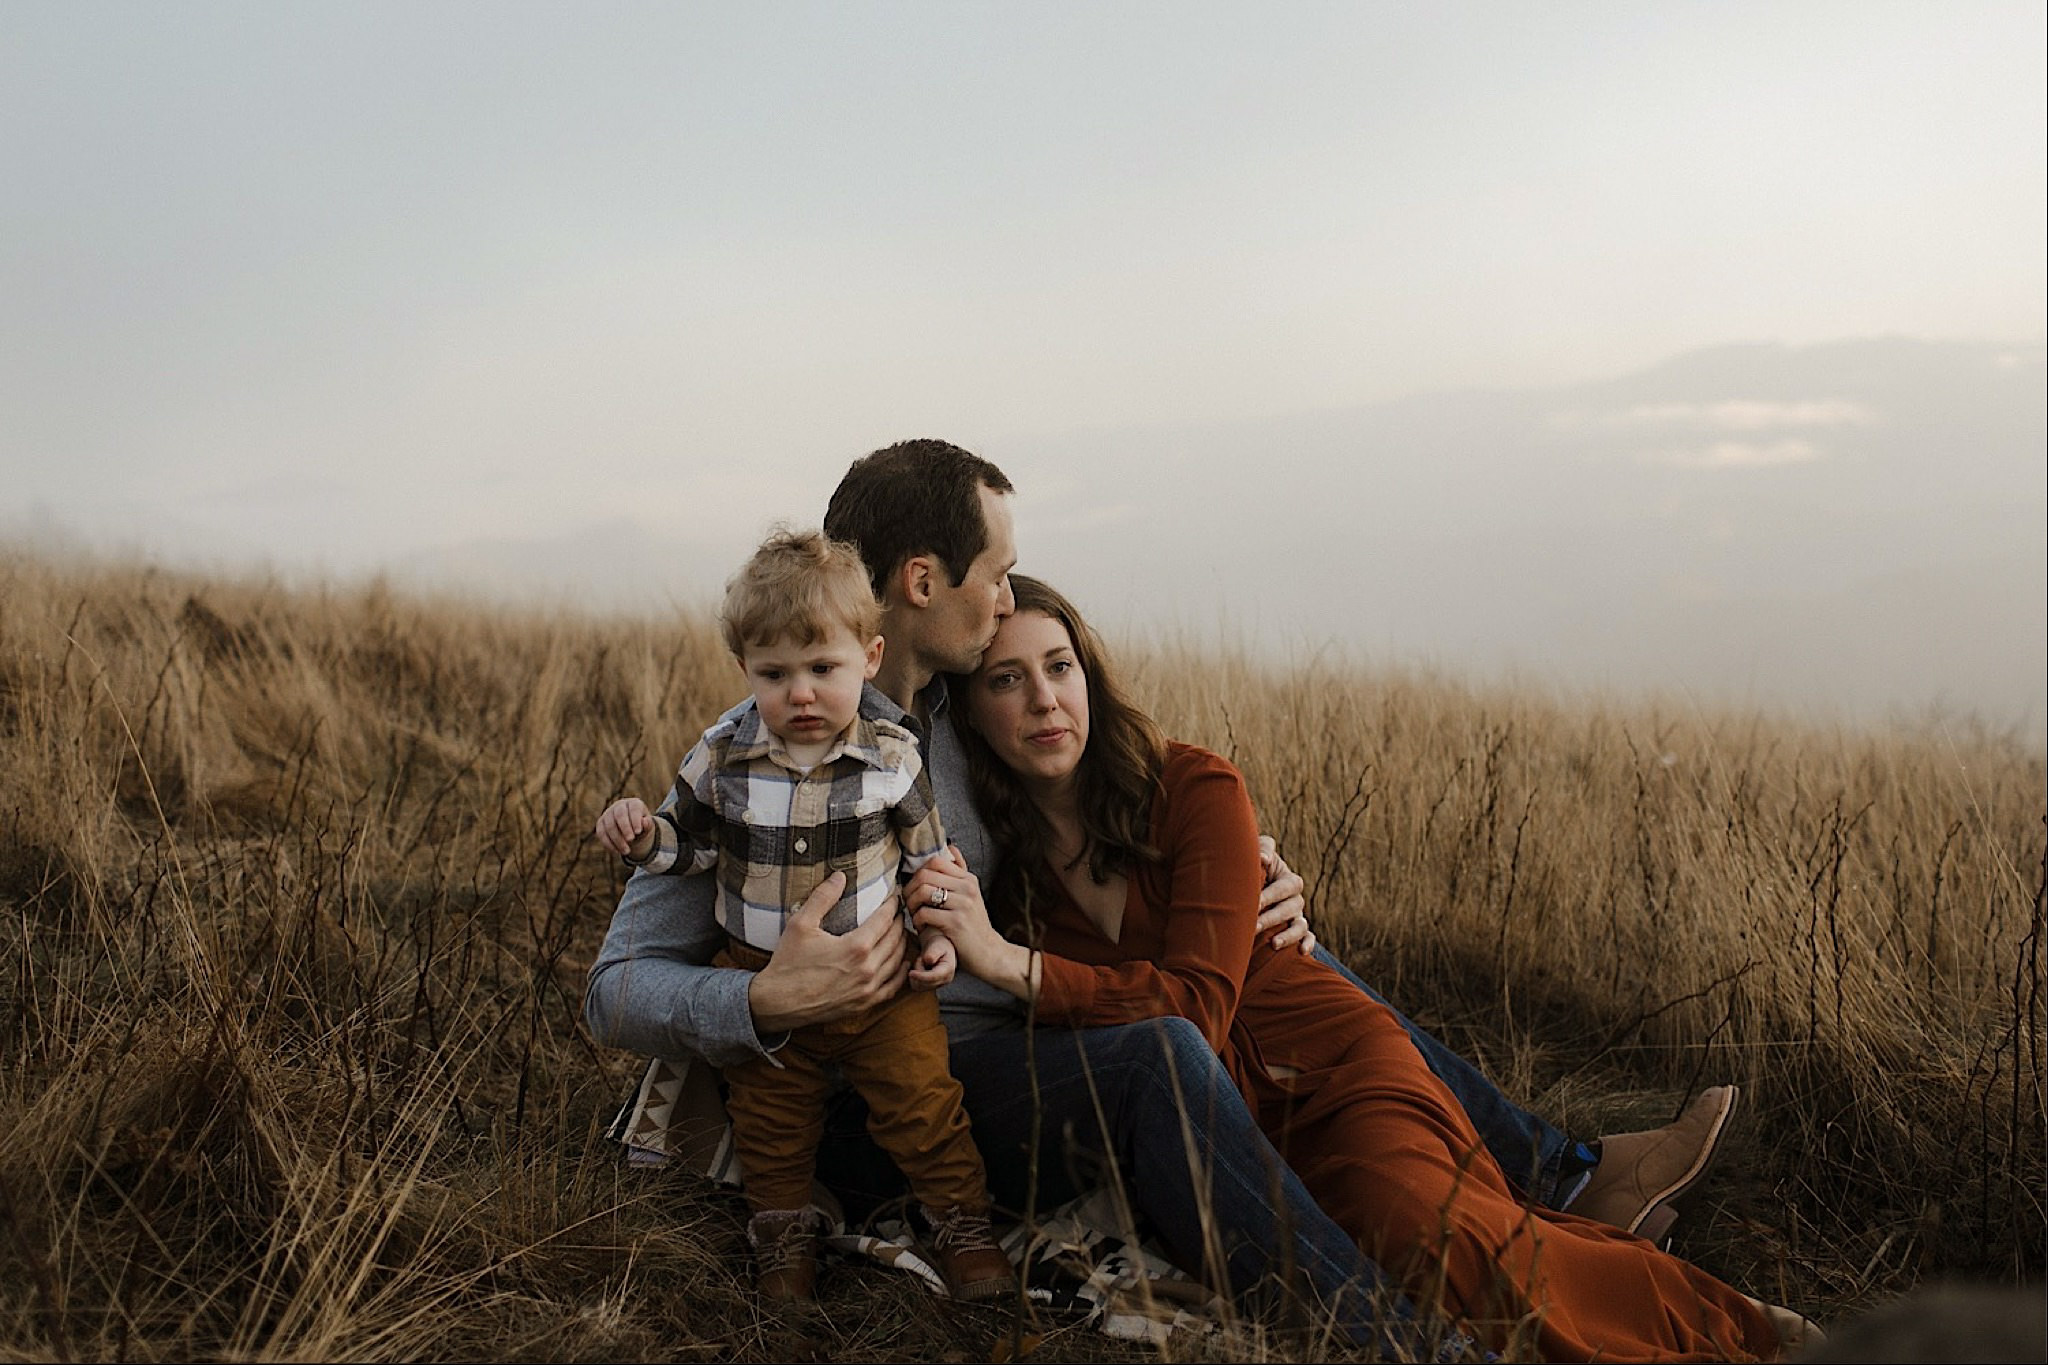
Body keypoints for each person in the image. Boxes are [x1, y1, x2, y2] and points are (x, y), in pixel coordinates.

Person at [584, 438, 1744, 1344]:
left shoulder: (956, 716)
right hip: (869, 1102)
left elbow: (1109, 813)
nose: (1006, 599)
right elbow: (615, 988)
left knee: (1241, 947)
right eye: (991, 577)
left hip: (1005, 1052)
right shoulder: (763, 748)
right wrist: (761, 1005)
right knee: (1157, 1052)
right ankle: (1402, 1345)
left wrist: (1243, 872)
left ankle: (1556, 1173)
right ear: (925, 580)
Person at [914, 573, 1823, 1360]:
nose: (1043, 699)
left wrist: (1009, 963)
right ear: (973, 718)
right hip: (1226, 1124)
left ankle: (1727, 1325)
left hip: (1332, 1069)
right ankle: (1590, 1221)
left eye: (1060, 667)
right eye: (1008, 679)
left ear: (1091, 678)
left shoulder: (1195, 789)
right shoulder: (1010, 873)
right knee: (1399, 1253)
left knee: (1431, 1237)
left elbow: (1194, 1008)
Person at [591, 528, 1016, 1304]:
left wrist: (939, 945)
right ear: (745, 670)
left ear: (870, 658)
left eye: (824, 669)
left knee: (926, 1108)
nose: (802, 693)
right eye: (775, 673)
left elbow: (930, 867)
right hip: (761, 984)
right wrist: (644, 836)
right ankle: (782, 1244)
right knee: (770, 1128)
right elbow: (690, 849)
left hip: (886, 997)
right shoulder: (722, 756)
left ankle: (963, 1225)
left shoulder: (894, 758)